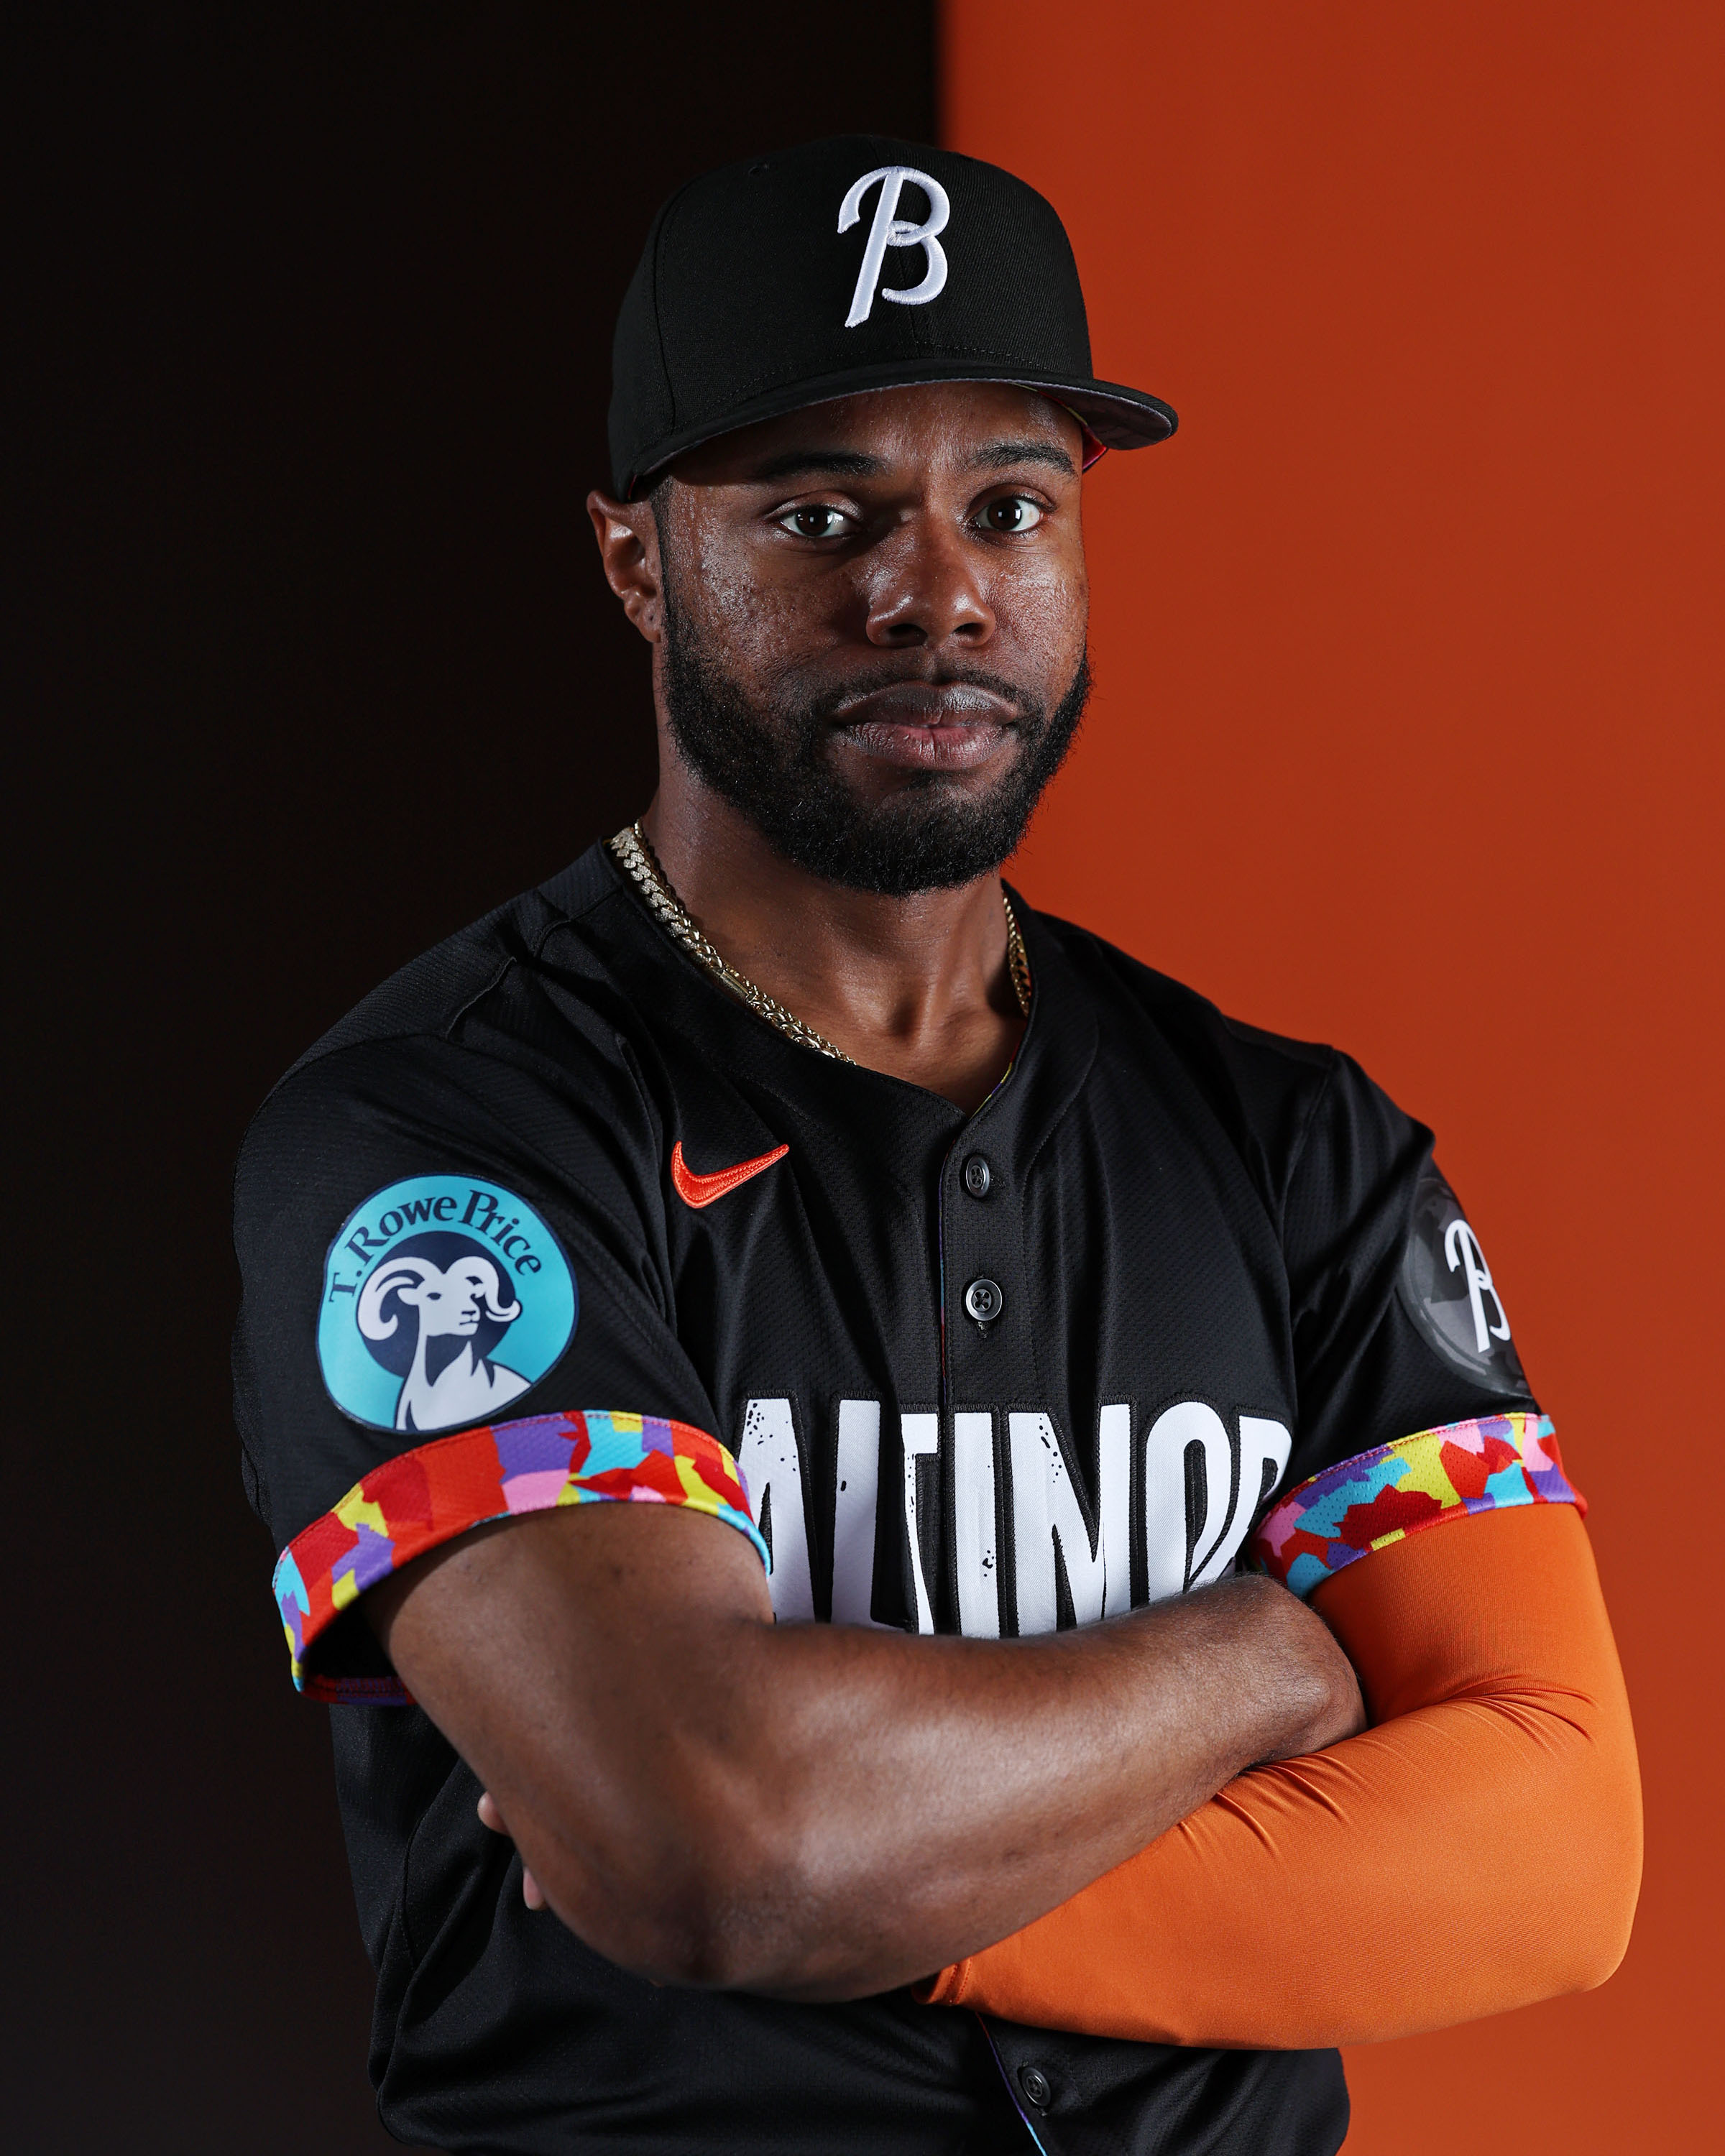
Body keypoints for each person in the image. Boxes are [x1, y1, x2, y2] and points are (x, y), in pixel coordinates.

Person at [234, 137, 1642, 2155]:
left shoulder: (1291, 1144)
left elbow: (1554, 1857)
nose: (938, 593)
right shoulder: (446, 1133)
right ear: (638, 563)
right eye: (823, 515)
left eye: (1011, 505)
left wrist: (849, 1883)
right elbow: (711, 1843)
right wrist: (1259, 1665)